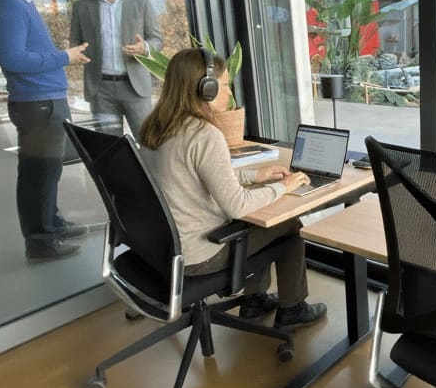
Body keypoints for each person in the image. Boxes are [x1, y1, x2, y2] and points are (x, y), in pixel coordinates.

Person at [138, 47, 327, 329]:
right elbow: (236, 205)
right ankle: (292, 309)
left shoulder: (157, 127)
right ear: (205, 89)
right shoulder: (204, 135)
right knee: (288, 225)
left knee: (260, 224)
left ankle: (254, 301)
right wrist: (283, 187)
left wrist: (255, 175)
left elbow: (190, 179)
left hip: (163, 250)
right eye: (224, 85)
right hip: (199, 255)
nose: (229, 92)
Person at [0, 0, 92, 261]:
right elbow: (13, 59)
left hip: (45, 101)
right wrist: (64, 57)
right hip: (37, 104)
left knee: (48, 170)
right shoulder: (9, 4)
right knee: (39, 172)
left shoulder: (20, 3)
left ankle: (51, 224)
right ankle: (40, 242)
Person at [69, 0, 163, 137]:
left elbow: (157, 39)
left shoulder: (141, 3)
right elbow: (75, 43)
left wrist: (144, 48)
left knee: (149, 143)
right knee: (109, 149)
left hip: (134, 87)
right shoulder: (81, 7)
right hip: (100, 89)